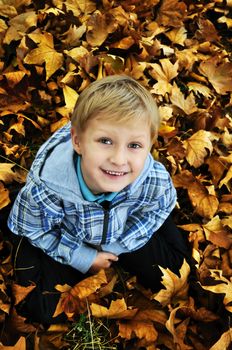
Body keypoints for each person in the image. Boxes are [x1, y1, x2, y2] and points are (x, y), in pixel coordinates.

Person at [7, 75, 189, 325]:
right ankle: (14, 202)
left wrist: (119, 245)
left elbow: (157, 211)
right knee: (41, 309)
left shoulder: (152, 178)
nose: (118, 159)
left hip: (121, 228)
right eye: (105, 141)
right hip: (67, 229)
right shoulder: (48, 187)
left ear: (149, 146)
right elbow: (35, 230)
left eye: (135, 145)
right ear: (78, 141)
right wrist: (83, 257)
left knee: (179, 272)